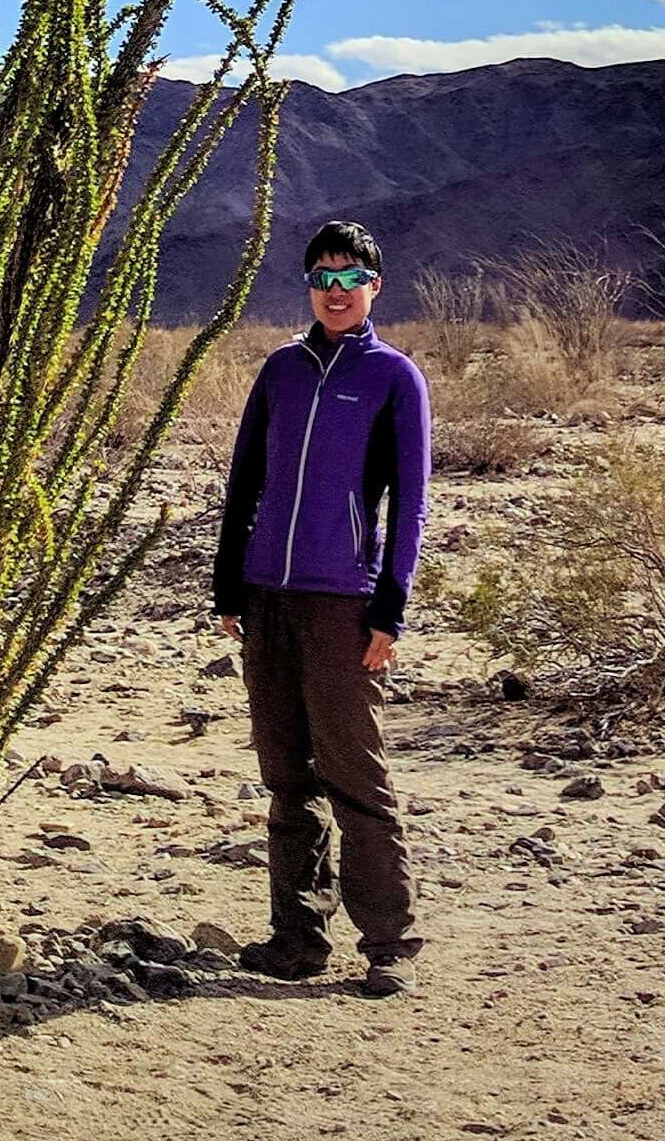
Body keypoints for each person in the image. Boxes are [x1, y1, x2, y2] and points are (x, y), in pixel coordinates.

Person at [209, 217, 431, 996]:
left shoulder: (393, 376)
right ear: (308, 286)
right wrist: (228, 583)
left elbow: (409, 503)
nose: (335, 291)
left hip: (343, 599)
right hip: (268, 594)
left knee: (354, 774)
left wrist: (388, 611)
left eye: (350, 277)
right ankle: (295, 938)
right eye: (322, 277)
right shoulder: (280, 370)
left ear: (374, 286)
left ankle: (387, 942)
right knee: (284, 775)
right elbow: (243, 481)